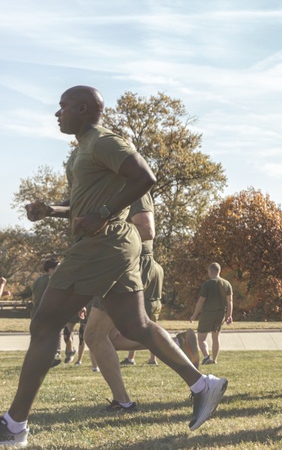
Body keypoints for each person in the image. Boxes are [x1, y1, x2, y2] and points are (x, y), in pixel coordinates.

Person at [1, 86, 225, 447]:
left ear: (83, 108)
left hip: (104, 245)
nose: (57, 113)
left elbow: (145, 177)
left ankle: (14, 426)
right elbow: (82, 207)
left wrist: (104, 215)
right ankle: (203, 384)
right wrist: (50, 211)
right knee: (135, 325)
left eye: (63, 107)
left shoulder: (104, 141)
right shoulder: (82, 152)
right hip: (112, 245)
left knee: (45, 324)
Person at [85, 195, 200, 411]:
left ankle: (123, 401)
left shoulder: (133, 182)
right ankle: (176, 342)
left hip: (128, 264)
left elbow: (146, 229)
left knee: (95, 335)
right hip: (120, 263)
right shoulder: (108, 184)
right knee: (109, 338)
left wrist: (102, 230)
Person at [191, 263, 233, 365]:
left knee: (201, 338)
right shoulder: (227, 284)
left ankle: (206, 357)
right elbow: (230, 301)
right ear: (219, 271)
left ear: (210, 271)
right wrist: (229, 315)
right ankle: (214, 360)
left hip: (207, 313)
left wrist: (194, 315)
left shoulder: (207, 284)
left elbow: (201, 301)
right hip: (220, 313)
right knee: (216, 337)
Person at [30, 260, 62, 369]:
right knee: (54, 335)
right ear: (51, 269)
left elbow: (34, 297)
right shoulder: (52, 280)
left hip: (37, 312)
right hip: (49, 312)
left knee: (40, 337)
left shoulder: (38, 280)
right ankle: (53, 357)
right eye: (58, 267)